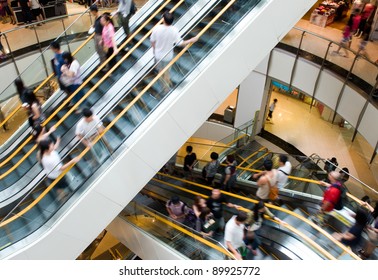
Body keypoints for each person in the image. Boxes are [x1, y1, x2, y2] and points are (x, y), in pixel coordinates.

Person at [150, 11, 197, 88]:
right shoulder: (174, 30)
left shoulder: (157, 29)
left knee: (160, 71)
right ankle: (166, 88)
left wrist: (154, 51)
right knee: (167, 72)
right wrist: (191, 40)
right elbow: (180, 43)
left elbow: (152, 41)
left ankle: (163, 87)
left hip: (158, 55)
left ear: (164, 20)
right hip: (168, 56)